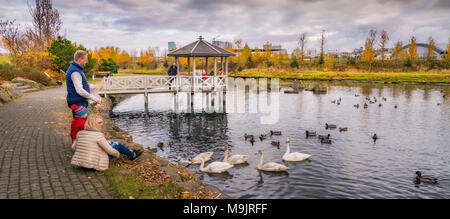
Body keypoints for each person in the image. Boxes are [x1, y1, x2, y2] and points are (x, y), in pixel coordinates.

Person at [71, 114, 142, 171]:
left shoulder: (80, 133)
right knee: (117, 144)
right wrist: (117, 155)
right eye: (99, 123)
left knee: (110, 142)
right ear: (92, 124)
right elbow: (110, 151)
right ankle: (133, 155)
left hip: (81, 164)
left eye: (102, 122)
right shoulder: (98, 135)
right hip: (95, 165)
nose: (102, 124)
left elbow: (73, 148)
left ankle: (130, 152)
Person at [66, 50, 100, 118]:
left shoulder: (76, 69)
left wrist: (89, 86)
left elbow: (79, 84)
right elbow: (80, 90)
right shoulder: (75, 71)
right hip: (78, 102)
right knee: (80, 125)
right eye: (85, 60)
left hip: (78, 101)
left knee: (80, 124)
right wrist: (94, 98)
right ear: (80, 59)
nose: (86, 62)